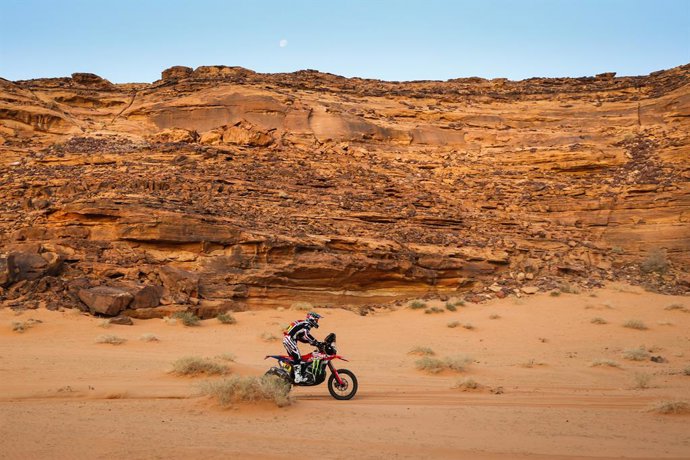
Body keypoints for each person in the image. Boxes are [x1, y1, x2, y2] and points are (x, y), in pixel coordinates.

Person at [283, 311, 322, 383]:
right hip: (289, 339)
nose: (317, 322)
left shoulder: (303, 323)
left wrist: (312, 342)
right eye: (316, 320)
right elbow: (306, 335)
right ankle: (298, 378)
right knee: (297, 357)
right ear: (312, 319)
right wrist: (316, 342)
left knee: (295, 358)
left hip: (289, 339)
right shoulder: (307, 324)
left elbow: (301, 337)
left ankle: (292, 375)